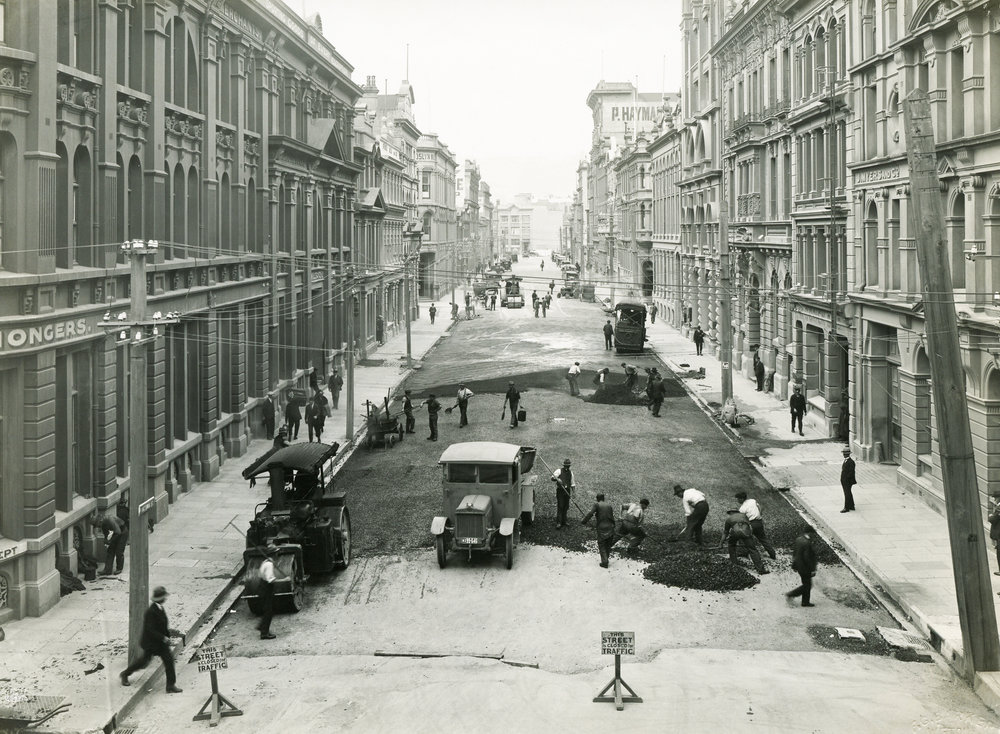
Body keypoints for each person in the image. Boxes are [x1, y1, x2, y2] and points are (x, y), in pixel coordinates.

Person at [120, 586, 183, 693]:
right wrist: (163, 638)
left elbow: (163, 625)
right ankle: (125, 674)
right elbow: (150, 630)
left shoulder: (160, 608)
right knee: (143, 662)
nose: (165, 599)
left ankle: (170, 686)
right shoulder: (151, 612)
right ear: (160, 599)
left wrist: (167, 636)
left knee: (169, 661)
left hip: (160, 643)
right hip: (151, 643)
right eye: (164, 597)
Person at [721, 510, 768, 574]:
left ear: (731, 512)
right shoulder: (744, 516)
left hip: (735, 533)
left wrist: (721, 544)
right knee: (752, 550)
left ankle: (734, 565)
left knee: (731, 545)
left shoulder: (729, 519)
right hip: (746, 532)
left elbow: (725, 532)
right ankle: (761, 569)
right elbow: (749, 527)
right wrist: (750, 537)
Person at [735, 490, 776, 559]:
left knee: (744, 538)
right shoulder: (752, 501)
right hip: (759, 522)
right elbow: (760, 507)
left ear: (741, 499)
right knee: (763, 539)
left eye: (738, 499)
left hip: (751, 524)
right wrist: (759, 515)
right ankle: (772, 554)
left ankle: (745, 553)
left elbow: (742, 521)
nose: (737, 500)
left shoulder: (742, 509)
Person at [582, 493, 617, 568]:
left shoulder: (597, 504)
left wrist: (584, 521)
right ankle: (606, 558)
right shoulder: (609, 505)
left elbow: (591, 513)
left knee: (602, 544)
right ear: (603, 498)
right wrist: (614, 526)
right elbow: (612, 517)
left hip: (602, 527)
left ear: (597, 499)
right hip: (610, 527)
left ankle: (604, 562)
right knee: (608, 544)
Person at [92, 511, 127, 576]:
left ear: (100, 521)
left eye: (98, 525)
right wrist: (105, 539)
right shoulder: (102, 523)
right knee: (110, 551)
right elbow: (106, 532)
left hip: (122, 532)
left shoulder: (109, 519)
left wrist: (110, 541)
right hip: (116, 533)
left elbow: (118, 532)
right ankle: (107, 570)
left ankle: (119, 568)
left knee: (119, 551)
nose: (98, 527)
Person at [787, 532, 817, 607]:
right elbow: (807, 558)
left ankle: (805, 602)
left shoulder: (798, 539)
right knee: (807, 585)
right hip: (805, 568)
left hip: (799, 566)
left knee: (806, 584)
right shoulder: (807, 543)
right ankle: (791, 594)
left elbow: (795, 553)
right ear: (810, 533)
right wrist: (812, 569)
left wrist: (794, 565)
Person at [257, 549, 278, 640]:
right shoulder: (269, 565)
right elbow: (270, 580)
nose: (277, 555)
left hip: (262, 587)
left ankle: (262, 626)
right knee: (268, 611)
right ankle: (264, 633)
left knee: (267, 609)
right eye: (276, 553)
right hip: (266, 589)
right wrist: (284, 580)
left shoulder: (265, 562)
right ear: (273, 554)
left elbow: (260, 574)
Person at [551, 459, 575, 528]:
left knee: (566, 506)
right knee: (560, 506)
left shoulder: (571, 473)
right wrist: (557, 479)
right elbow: (552, 478)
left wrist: (574, 493)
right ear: (564, 465)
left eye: (568, 466)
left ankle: (564, 521)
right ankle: (559, 522)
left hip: (567, 491)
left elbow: (573, 484)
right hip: (560, 491)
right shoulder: (559, 471)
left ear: (569, 466)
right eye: (566, 466)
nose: (567, 467)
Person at [840, 446, 856, 512]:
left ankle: (846, 508)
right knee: (848, 493)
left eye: (844, 453)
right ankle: (851, 506)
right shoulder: (846, 460)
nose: (843, 455)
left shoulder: (851, 462)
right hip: (845, 480)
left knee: (847, 494)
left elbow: (851, 472)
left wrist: (846, 479)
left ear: (847, 454)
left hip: (847, 481)